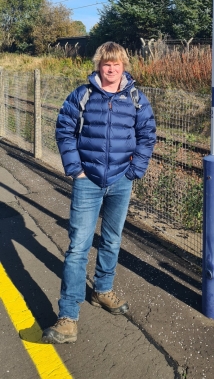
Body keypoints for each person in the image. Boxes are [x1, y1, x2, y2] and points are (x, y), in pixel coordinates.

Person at [42, 41, 156, 344]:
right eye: (106, 63)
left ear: (124, 66)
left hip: (121, 180)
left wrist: (136, 170)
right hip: (87, 181)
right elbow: (64, 129)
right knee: (78, 246)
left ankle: (102, 291)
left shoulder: (135, 98)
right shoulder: (82, 95)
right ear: (98, 65)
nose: (111, 68)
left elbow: (147, 134)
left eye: (117, 63)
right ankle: (68, 316)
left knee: (112, 240)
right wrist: (76, 170)